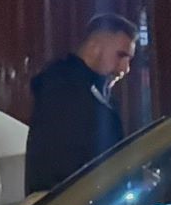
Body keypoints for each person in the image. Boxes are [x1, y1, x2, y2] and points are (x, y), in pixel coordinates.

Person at [23, 14, 137, 193]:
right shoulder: (65, 94)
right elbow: (70, 168)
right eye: (120, 56)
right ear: (93, 48)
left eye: (129, 60)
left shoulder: (89, 94)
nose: (125, 69)